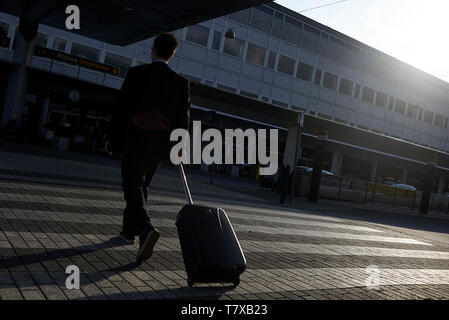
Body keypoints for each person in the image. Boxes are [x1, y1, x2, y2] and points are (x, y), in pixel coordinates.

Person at [105, 33, 190, 263]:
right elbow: (183, 119)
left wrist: (112, 138)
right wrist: (180, 146)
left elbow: (121, 108)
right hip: (160, 145)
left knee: (131, 182)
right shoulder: (180, 83)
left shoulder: (136, 74)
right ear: (171, 55)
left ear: (153, 50)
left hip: (136, 139)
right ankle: (128, 232)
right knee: (142, 185)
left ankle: (145, 229)